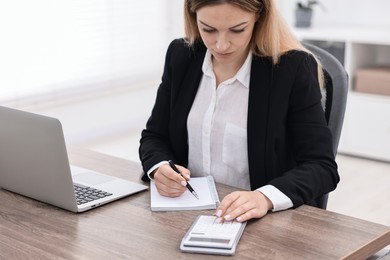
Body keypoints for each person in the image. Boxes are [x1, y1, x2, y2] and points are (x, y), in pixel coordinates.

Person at [139, 0, 339, 223]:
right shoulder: (182, 56)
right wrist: (159, 168)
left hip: (261, 224)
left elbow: (322, 167)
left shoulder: (292, 69)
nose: (221, 45)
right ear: (193, 17)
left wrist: (264, 197)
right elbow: (154, 136)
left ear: (259, 18)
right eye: (208, 29)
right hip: (185, 214)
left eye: (237, 30)